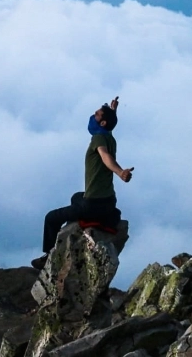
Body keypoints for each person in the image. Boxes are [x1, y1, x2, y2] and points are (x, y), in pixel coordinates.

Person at [31, 97, 134, 270]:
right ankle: (84, 222)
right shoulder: (109, 137)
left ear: (102, 123)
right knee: (76, 196)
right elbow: (108, 126)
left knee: (51, 218)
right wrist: (113, 110)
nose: (92, 116)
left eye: (96, 115)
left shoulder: (99, 140)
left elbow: (106, 158)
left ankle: (49, 257)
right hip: (109, 201)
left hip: (94, 205)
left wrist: (120, 172)